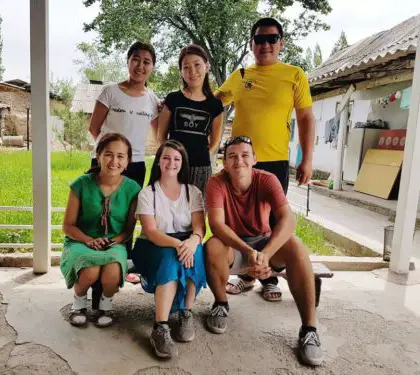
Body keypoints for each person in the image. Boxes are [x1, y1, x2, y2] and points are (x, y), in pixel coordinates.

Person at [215, 17, 315, 301]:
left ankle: (269, 277)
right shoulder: (242, 74)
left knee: (270, 222)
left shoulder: (295, 74)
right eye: (259, 39)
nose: (265, 44)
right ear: (251, 44)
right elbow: (212, 103)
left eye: (272, 38)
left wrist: (307, 159)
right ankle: (247, 275)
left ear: (281, 43)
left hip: (274, 162)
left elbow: (306, 117)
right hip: (240, 163)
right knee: (241, 220)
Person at [204, 136, 323, 366]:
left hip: (264, 243)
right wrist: (249, 251)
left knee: (296, 245)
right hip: (235, 245)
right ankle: (220, 304)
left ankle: (309, 329)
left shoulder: (267, 179)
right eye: (232, 156)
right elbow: (216, 225)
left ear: (255, 159)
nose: (239, 161)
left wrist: (266, 253)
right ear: (225, 163)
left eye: (245, 155)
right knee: (212, 245)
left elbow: (288, 219)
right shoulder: (216, 183)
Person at [89, 41, 160, 285]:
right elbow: (94, 128)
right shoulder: (110, 91)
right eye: (136, 59)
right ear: (128, 61)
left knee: (128, 214)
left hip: (136, 165)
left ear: (152, 67)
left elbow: (158, 133)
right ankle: (94, 258)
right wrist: (109, 155)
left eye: (147, 62)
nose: (141, 65)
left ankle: (122, 261)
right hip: (105, 162)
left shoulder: (152, 100)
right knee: (99, 211)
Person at [132, 140, 206, 359]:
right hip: (152, 244)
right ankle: (160, 326)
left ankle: (186, 312)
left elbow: (200, 226)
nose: (171, 163)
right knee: (170, 258)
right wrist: (179, 245)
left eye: (176, 158)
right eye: (166, 157)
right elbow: (151, 232)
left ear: (182, 164)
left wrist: (193, 240)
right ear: (158, 162)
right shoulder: (148, 193)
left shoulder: (192, 192)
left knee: (197, 253)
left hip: (186, 240)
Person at [60, 133, 141, 328]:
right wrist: (89, 240)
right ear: (98, 156)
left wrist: (115, 241)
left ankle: (106, 305)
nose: (114, 161)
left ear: (128, 161)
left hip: (114, 242)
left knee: (113, 270)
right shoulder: (81, 184)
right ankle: (78, 304)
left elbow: (129, 229)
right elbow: (68, 226)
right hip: (80, 241)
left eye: (121, 156)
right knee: (90, 270)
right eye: (109, 154)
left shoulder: (133, 189)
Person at [157, 44, 224, 195]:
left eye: (197, 65)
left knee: (196, 215)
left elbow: (214, 142)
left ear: (207, 66)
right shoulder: (172, 99)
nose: (192, 71)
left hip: (200, 169)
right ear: (181, 71)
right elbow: (161, 137)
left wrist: (201, 157)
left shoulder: (215, 105)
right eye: (186, 67)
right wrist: (170, 160)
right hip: (172, 167)